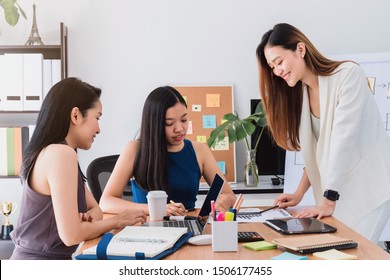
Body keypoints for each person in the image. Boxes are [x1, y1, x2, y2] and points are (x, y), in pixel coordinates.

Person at [256, 23, 390, 243]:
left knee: (359, 254)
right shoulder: (302, 94)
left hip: (369, 188)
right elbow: (319, 150)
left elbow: (342, 141)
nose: (277, 71)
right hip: (336, 194)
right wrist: (299, 194)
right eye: (272, 67)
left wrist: (329, 200)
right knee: (340, 255)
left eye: (279, 62)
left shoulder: (347, 75)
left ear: (300, 49)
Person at [10, 78, 146, 260]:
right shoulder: (60, 154)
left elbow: (96, 209)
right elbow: (71, 236)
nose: (98, 128)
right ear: (75, 115)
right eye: (97, 118)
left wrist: (86, 221)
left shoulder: (57, 153)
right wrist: (118, 220)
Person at [100, 86, 236, 216]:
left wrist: (224, 200)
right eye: (169, 123)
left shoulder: (200, 150)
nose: (179, 128)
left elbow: (230, 196)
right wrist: (158, 209)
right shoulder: (135, 149)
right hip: (147, 228)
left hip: (188, 227)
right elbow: (106, 202)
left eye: (184, 119)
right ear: (154, 124)